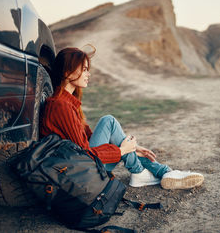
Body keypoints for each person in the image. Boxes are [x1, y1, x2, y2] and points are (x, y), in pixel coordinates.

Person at [40, 46, 204, 190]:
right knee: (108, 121)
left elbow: (88, 139)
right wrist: (121, 150)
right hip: (79, 173)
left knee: (110, 124)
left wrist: (132, 148)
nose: (88, 74)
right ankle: (150, 173)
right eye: (83, 69)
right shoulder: (60, 105)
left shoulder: (67, 103)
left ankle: (163, 173)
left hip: (82, 167)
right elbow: (84, 155)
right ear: (67, 73)